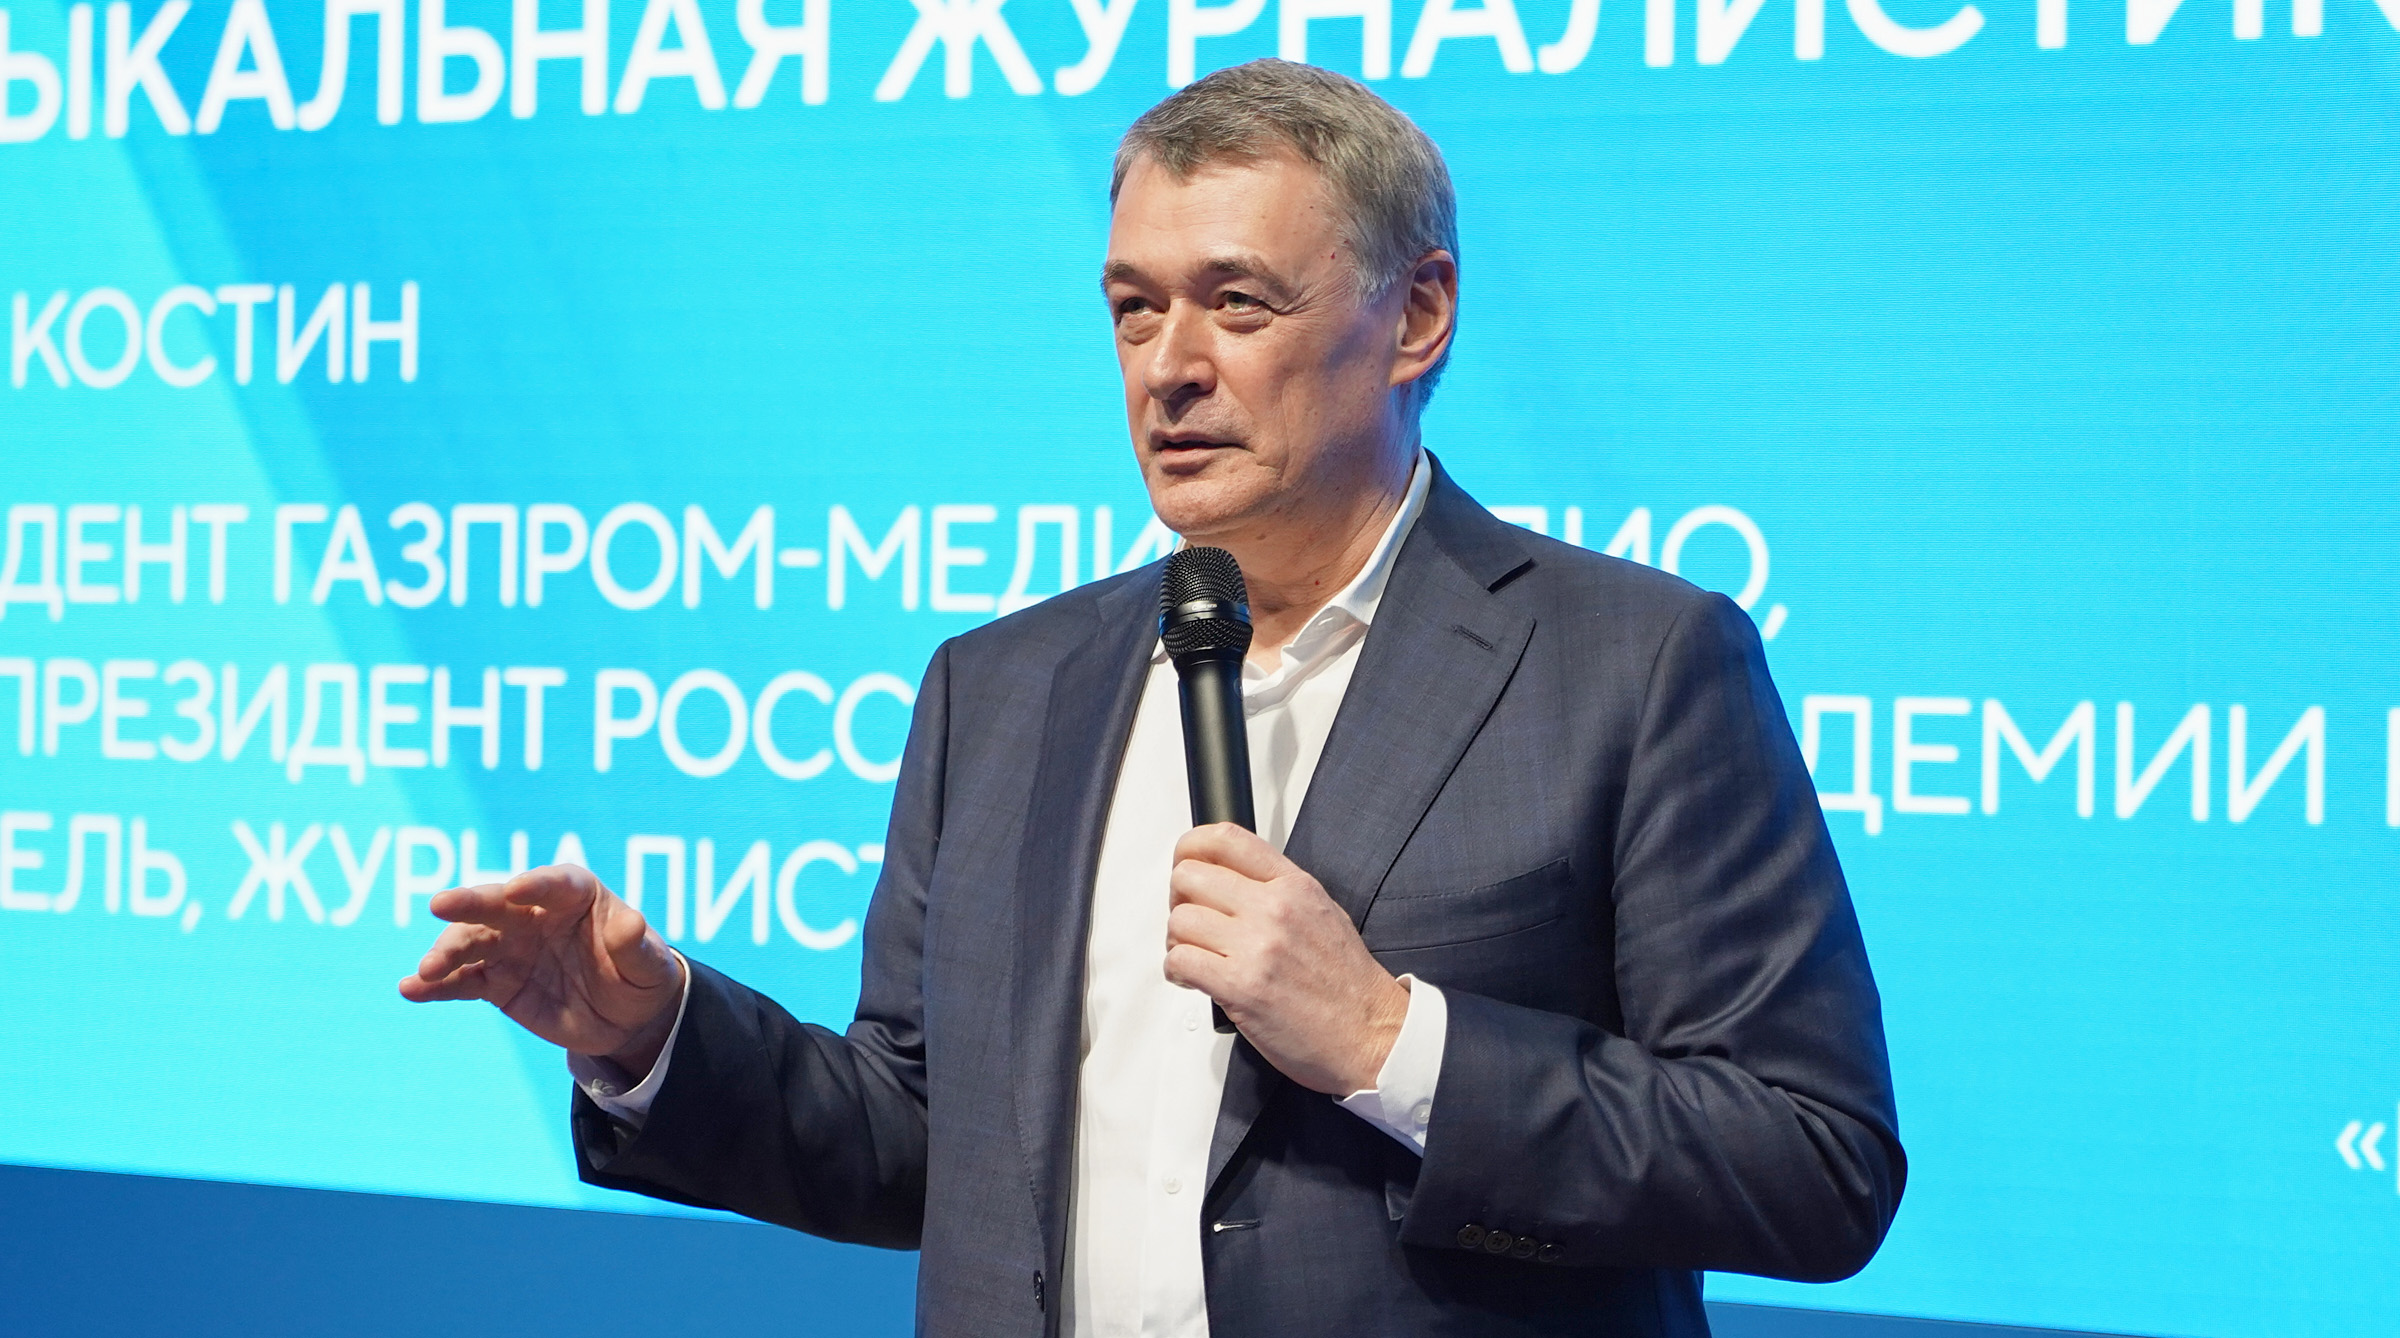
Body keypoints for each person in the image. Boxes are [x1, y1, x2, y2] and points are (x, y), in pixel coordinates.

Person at [400, 58, 1902, 1337]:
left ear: (1418, 315)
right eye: (1133, 309)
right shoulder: (1000, 688)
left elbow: (1814, 1161)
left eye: (1237, 303)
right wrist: (656, 1033)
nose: (1168, 368)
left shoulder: (1633, 664)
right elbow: (917, 1136)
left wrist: (1390, 1042)